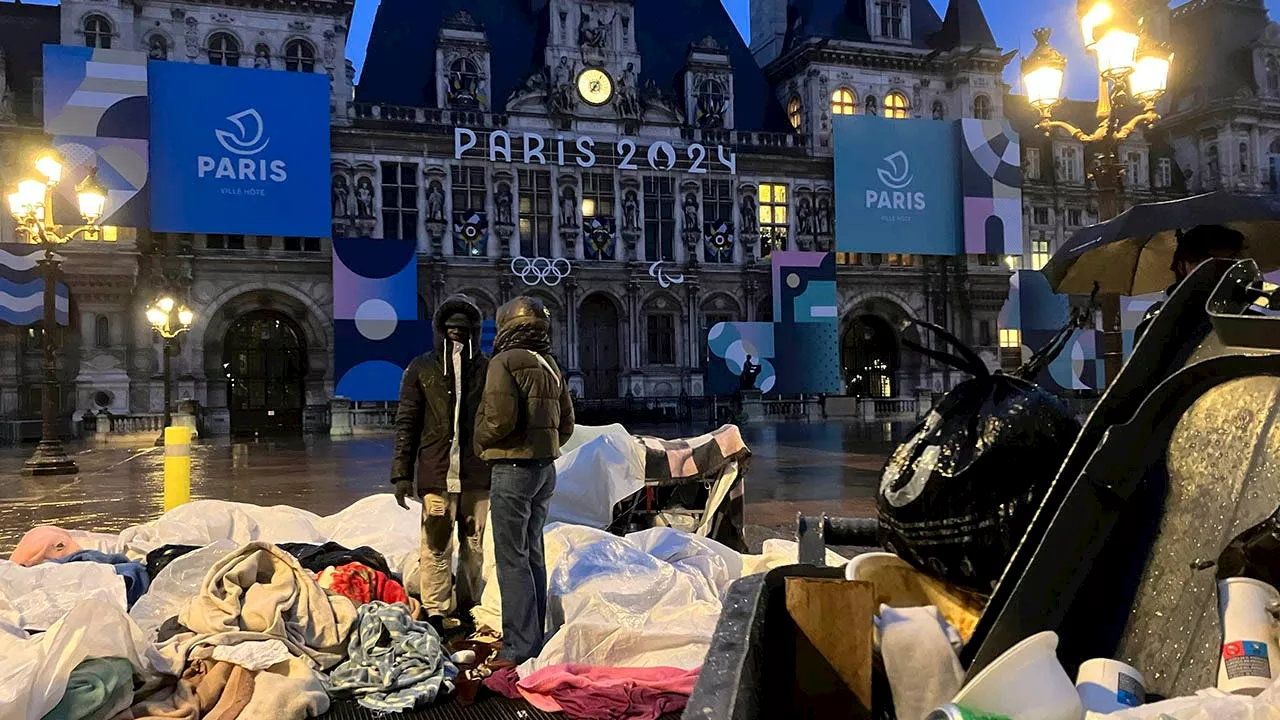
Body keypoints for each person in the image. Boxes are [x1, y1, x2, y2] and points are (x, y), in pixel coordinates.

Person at [473, 296, 575, 667]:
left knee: (511, 558)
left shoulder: (504, 362)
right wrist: (544, 445)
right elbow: (567, 424)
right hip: (544, 469)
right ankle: (535, 636)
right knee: (533, 552)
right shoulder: (550, 364)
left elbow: (499, 418)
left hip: (512, 469)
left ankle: (518, 646)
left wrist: (479, 441)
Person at [390, 294, 491, 635]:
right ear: (440, 331)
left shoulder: (489, 369)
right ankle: (436, 609)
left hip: (477, 475)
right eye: (450, 329)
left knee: (474, 546)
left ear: (474, 332)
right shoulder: (422, 368)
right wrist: (401, 474)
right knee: (436, 543)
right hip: (437, 474)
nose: (457, 334)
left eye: (463, 329)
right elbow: (407, 422)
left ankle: (469, 603)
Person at [1135, 225, 1245, 342]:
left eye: (1231, 260)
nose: (1221, 271)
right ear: (1182, 266)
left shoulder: (1247, 307)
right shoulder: (1160, 317)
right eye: (1208, 262)